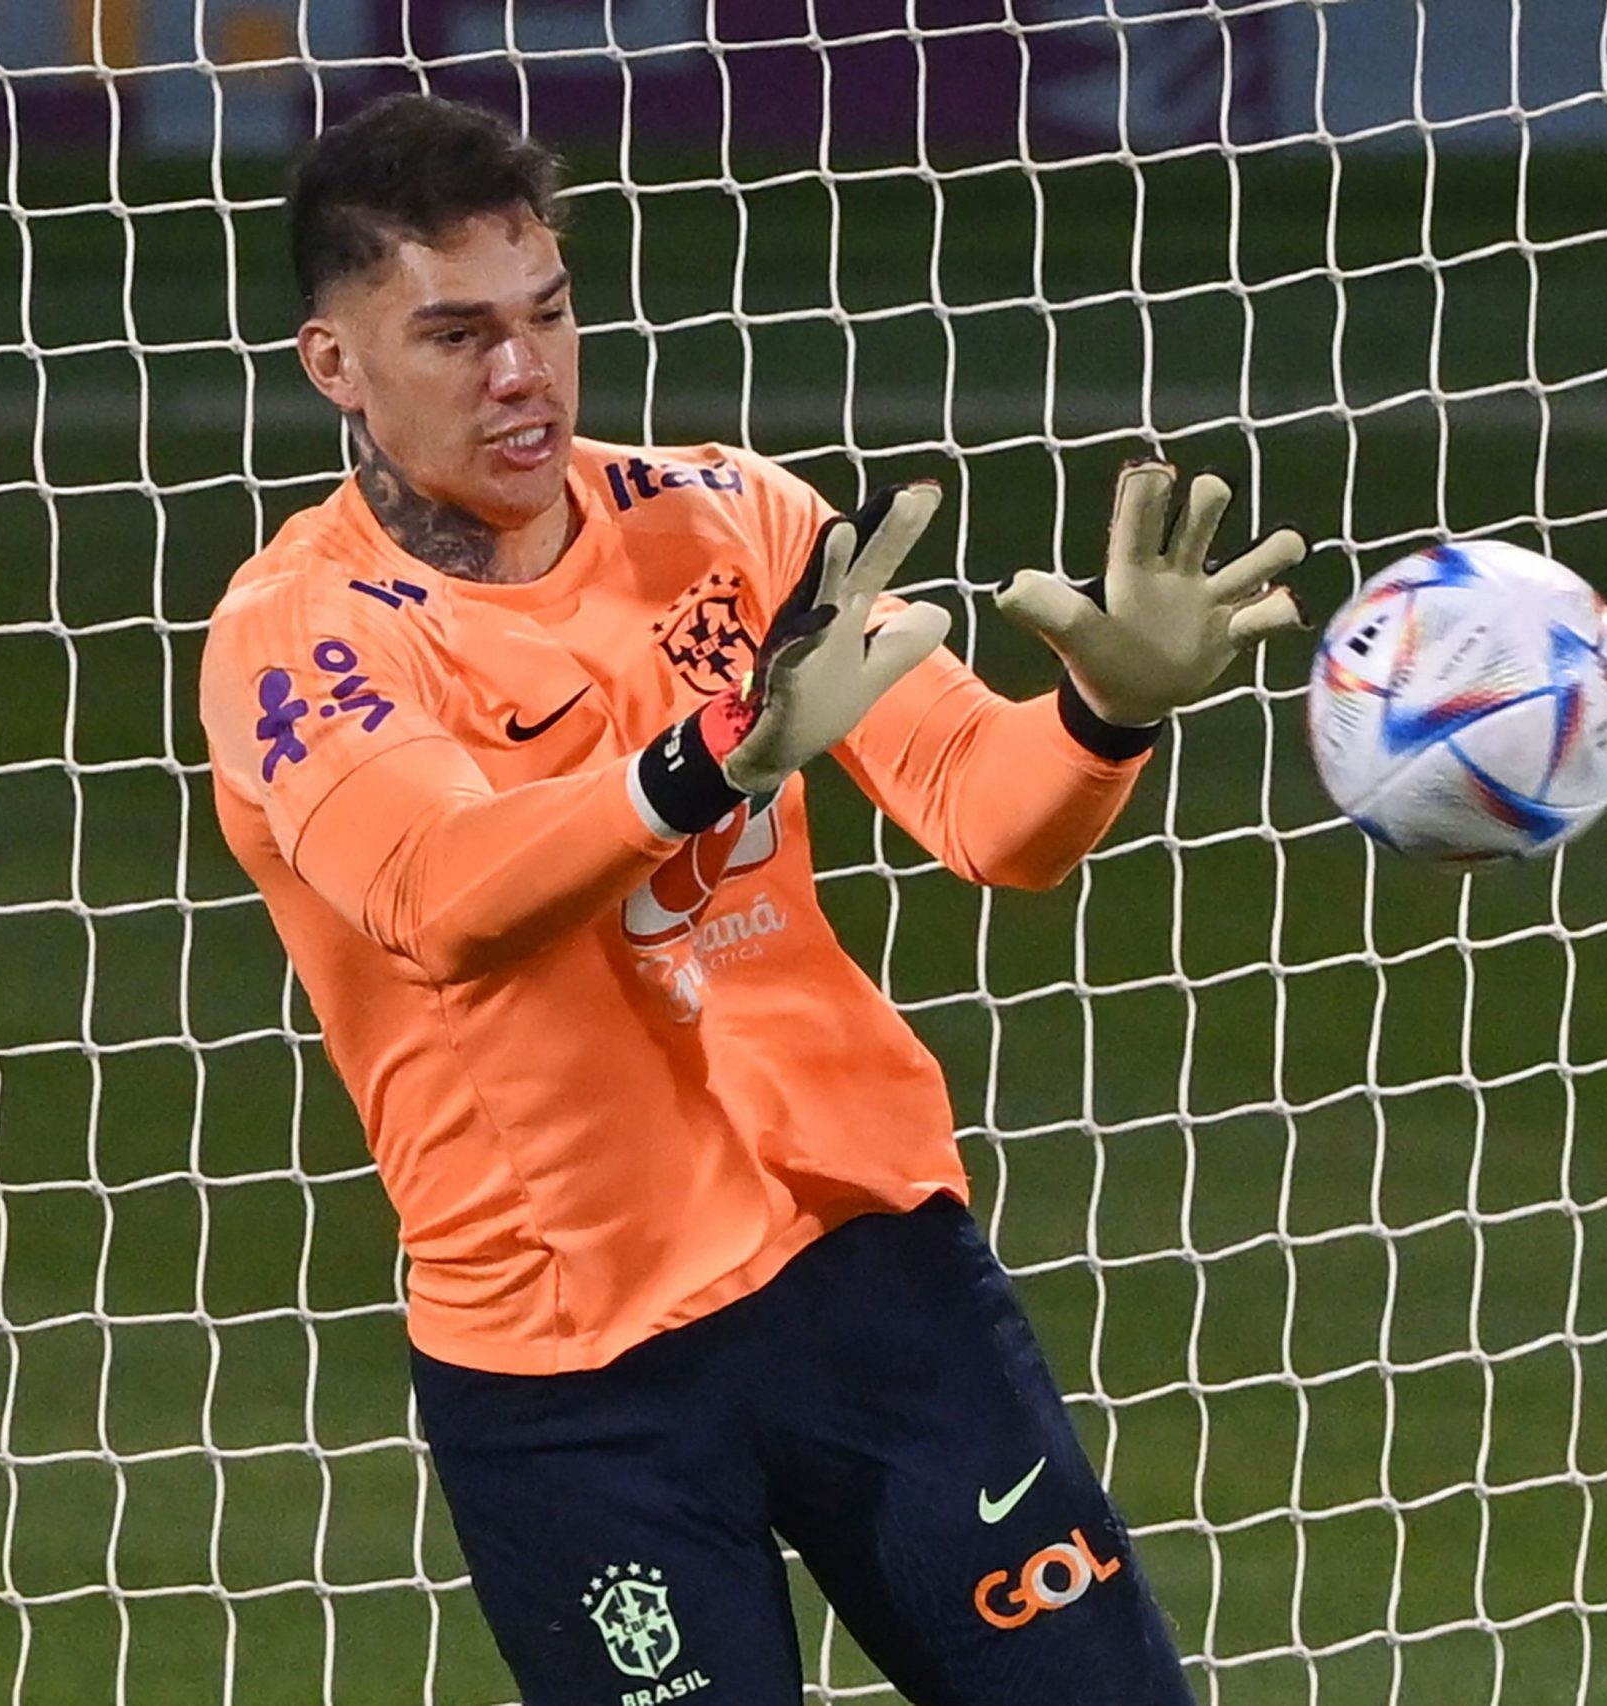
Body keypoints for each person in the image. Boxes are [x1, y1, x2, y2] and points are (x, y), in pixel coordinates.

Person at [195, 92, 1303, 1706]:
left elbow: (994, 816)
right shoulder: (302, 637)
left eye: (548, 316)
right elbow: (443, 896)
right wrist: (703, 758)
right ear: (334, 365)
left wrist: (1104, 716)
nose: (525, 375)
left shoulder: (725, 515)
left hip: (870, 1277)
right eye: (456, 335)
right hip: (576, 1369)